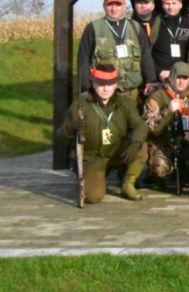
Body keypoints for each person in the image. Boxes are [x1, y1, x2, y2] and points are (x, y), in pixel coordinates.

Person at [55, 64, 148, 203]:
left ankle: (128, 183)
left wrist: (135, 143)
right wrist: (71, 128)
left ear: (115, 85)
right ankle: (92, 177)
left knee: (141, 145)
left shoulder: (125, 103)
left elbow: (139, 125)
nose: (105, 88)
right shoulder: (80, 106)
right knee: (93, 197)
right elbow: (60, 138)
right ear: (93, 83)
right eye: (101, 84)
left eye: (110, 84)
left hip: (116, 151)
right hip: (92, 158)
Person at [77, 0, 158, 103]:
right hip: (104, 92)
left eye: (118, 5)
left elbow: (146, 56)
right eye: (110, 5)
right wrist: (85, 88)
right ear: (104, 6)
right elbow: (83, 59)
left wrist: (151, 81)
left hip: (131, 92)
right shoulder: (93, 28)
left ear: (124, 6)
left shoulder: (135, 27)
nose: (114, 9)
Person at [142, 62, 189, 187]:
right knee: (160, 169)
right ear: (171, 78)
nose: (181, 81)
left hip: (185, 143)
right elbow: (151, 129)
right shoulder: (157, 97)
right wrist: (168, 111)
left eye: (185, 78)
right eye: (178, 77)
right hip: (163, 142)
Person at [150, 0, 189, 82]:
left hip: (183, 76)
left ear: (181, 5)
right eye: (167, 3)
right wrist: (158, 71)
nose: (171, 7)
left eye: (174, 3)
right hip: (161, 76)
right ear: (163, 6)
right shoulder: (154, 24)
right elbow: (148, 52)